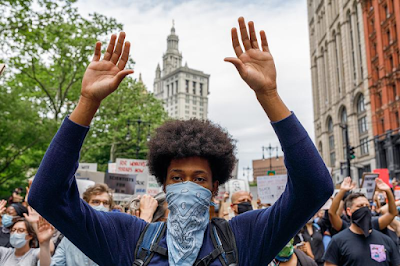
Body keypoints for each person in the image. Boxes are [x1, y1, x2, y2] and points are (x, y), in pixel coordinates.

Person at [28, 17, 334, 265]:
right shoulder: (128, 239)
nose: (187, 186)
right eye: (177, 177)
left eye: (199, 178)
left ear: (215, 188)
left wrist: (269, 95)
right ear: (164, 185)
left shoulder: (244, 238)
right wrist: (87, 103)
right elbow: (47, 197)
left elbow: (314, 187)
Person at [323, 192, 400, 266]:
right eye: (360, 206)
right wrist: (342, 190)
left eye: (367, 206)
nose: (365, 209)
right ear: (349, 211)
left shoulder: (386, 241)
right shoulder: (338, 241)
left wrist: (387, 191)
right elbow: (332, 213)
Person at [50, 184, 114, 266]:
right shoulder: (70, 239)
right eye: (96, 202)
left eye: (105, 203)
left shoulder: (116, 238)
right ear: (85, 205)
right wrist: (44, 244)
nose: (101, 206)